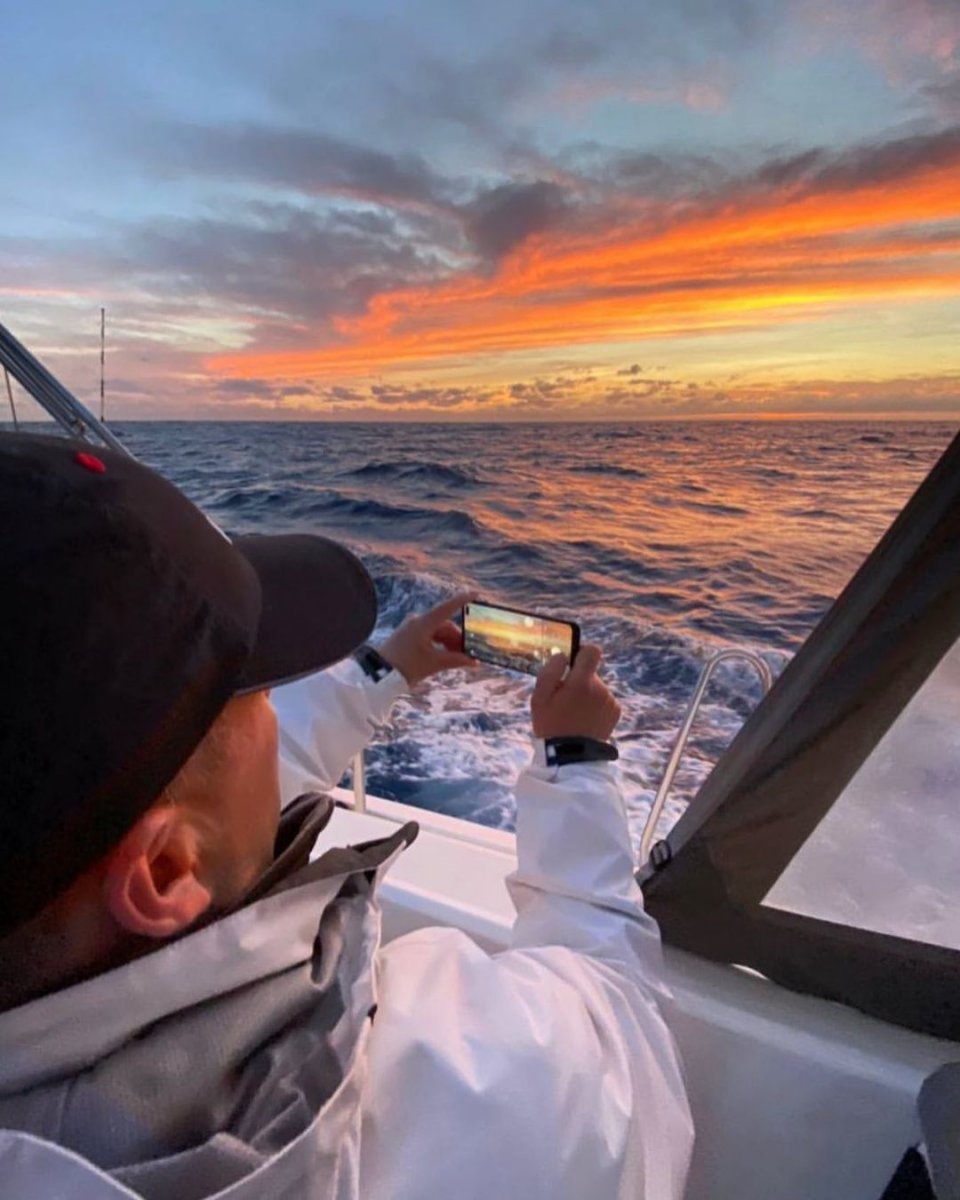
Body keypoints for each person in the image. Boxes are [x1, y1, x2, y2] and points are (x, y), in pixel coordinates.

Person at [0, 431, 693, 1199]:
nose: (273, 703)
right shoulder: (430, 1085)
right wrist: (575, 760)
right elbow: (624, 1031)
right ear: (164, 872)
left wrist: (386, 671)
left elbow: (158, 792)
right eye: (253, 688)